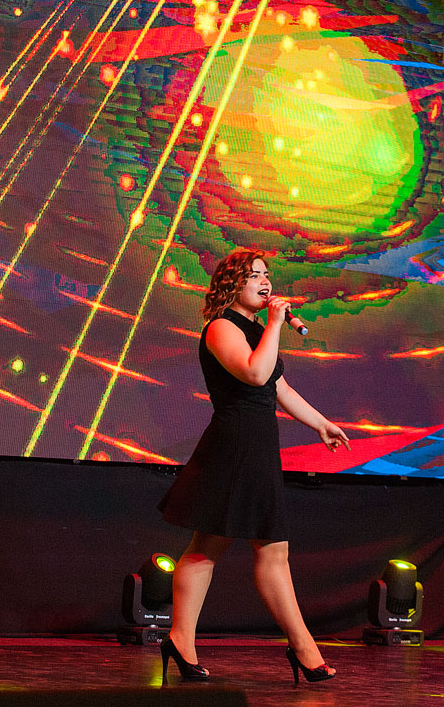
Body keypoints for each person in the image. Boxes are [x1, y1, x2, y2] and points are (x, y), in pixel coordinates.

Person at [157, 249, 351, 684]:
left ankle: (188, 641)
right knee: (216, 546)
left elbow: (279, 387)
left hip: (257, 446)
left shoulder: (256, 329)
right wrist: (278, 325)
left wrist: (321, 424)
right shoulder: (221, 327)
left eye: (267, 274)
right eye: (255, 275)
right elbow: (255, 374)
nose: (266, 282)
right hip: (235, 446)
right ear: (232, 284)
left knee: (247, 548)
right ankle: (298, 649)